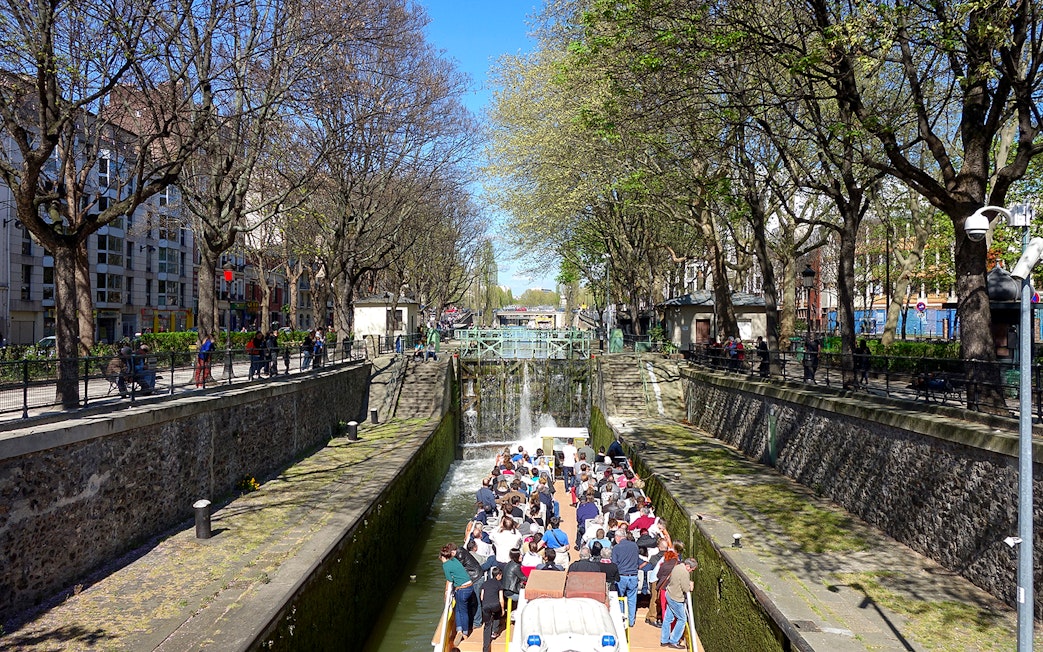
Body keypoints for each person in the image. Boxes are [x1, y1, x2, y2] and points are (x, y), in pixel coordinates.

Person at [440, 543, 474, 647]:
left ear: (442, 557)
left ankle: (464, 632)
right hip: (469, 587)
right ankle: (459, 630)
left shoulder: (445, 565)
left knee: (462, 610)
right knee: (459, 608)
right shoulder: (454, 560)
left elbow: (449, 580)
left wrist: (446, 592)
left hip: (462, 589)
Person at [661, 558, 699, 649]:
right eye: (691, 570)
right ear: (688, 566)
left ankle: (664, 640)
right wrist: (691, 586)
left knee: (667, 619)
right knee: (682, 619)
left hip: (669, 594)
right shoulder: (685, 573)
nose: (691, 572)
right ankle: (674, 641)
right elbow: (686, 589)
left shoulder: (677, 567)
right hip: (676, 598)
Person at [611, 528, 640, 628]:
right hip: (633, 576)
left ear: (618, 537)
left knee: (620, 599)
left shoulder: (616, 548)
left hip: (621, 576)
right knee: (632, 599)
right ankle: (631, 621)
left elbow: (614, 564)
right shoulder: (634, 546)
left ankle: (622, 620)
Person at [480, 567, 505, 652]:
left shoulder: (485, 583)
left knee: (487, 626)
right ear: (498, 575)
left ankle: (485, 648)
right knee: (497, 614)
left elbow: (482, 597)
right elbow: (501, 599)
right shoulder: (499, 584)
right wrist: (502, 610)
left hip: (485, 606)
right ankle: (495, 631)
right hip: (495, 605)